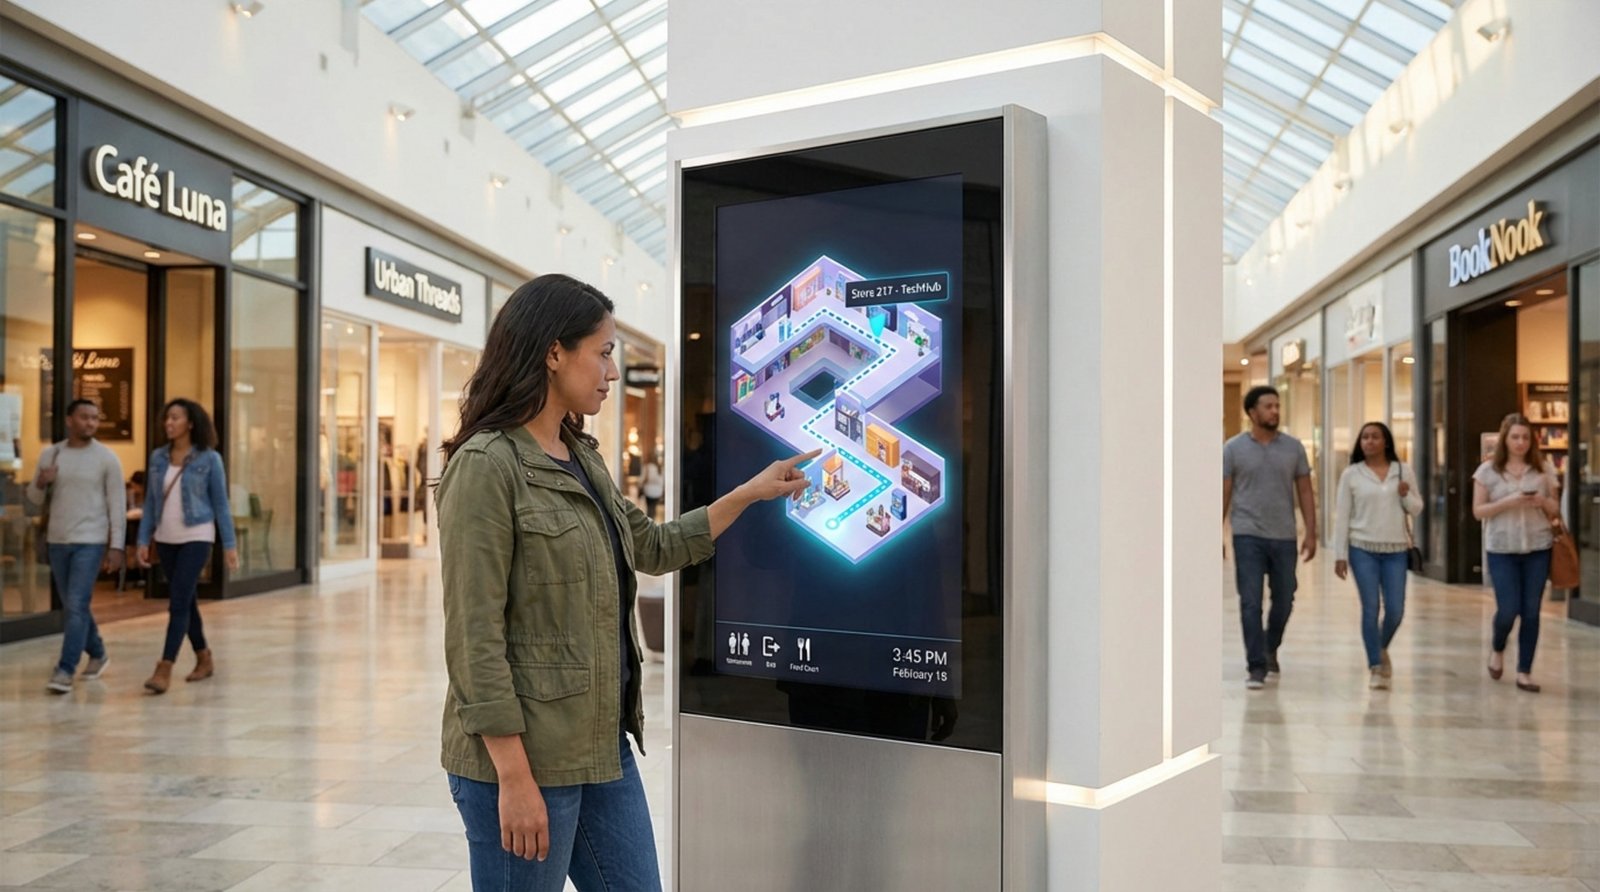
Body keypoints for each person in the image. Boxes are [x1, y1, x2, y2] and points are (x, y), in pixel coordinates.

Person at [437, 274, 814, 892]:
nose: (612, 372)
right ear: (554, 353)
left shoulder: (581, 456)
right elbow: (474, 639)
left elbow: (654, 547)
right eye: (604, 352)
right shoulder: (486, 467)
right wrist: (512, 777)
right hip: (524, 760)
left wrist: (750, 492)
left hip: (599, 744)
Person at [136, 398, 239, 694]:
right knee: (186, 600)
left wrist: (229, 545)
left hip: (197, 535)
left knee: (178, 601)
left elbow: (220, 504)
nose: (169, 423)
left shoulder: (209, 459)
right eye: (167, 418)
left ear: (190, 423)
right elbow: (151, 503)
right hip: (166, 539)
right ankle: (204, 657)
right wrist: (144, 539)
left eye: (176, 418)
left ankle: (164, 667)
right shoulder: (158, 458)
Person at [28, 399, 125, 694]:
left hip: (91, 541)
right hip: (58, 541)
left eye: (95, 418)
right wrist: (42, 483)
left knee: (77, 604)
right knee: (74, 606)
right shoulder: (52, 454)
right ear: (70, 420)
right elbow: (33, 500)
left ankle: (65, 669)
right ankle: (97, 652)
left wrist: (117, 545)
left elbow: (116, 506)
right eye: (84, 417)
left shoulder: (107, 459)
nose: (90, 423)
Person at [1223, 385, 1317, 690]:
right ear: (1252, 412)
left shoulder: (1293, 448)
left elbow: (1304, 490)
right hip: (1247, 533)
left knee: (1285, 598)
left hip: (1284, 536)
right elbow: (1223, 493)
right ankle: (1256, 665)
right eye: (1268, 406)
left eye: (1277, 406)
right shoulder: (1233, 449)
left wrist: (1312, 531)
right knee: (1250, 601)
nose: (1275, 411)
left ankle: (1269, 645)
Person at [1472, 413, 1561, 693]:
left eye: (1525, 437)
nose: (1520, 442)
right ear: (1505, 439)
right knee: (1509, 609)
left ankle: (1525, 671)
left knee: (1532, 611)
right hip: (1502, 547)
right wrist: (1509, 501)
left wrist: (1542, 500)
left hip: (1538, 546)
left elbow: (1556, 509)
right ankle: (1497, 647)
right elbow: (1478, 511)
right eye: (1515, 437)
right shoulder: (1488, 472)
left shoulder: (1544, 469)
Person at [1332, 422, 1423, 690]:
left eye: (1375, 437)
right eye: (1365, 438)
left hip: (1395, 550)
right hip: (1362, 548)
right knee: (1370, 608)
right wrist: (1340, 554)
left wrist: (1406, 496)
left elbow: (1417, 509)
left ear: (1386, 442)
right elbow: (1343, 516)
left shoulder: (1402, 470)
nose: (1369, 442)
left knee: (1396, 609)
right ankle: (1375, 665)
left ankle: (1380, 646)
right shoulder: (1352, 474)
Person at [642, 454, 664, 519]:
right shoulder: (659, 467)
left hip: (648, 491)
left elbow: (643, 479)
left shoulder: (647, 467)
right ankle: (653, 520)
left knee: (649, 508)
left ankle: (649, 522)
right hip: (657, 491)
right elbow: (661, 481)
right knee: (653, 508)